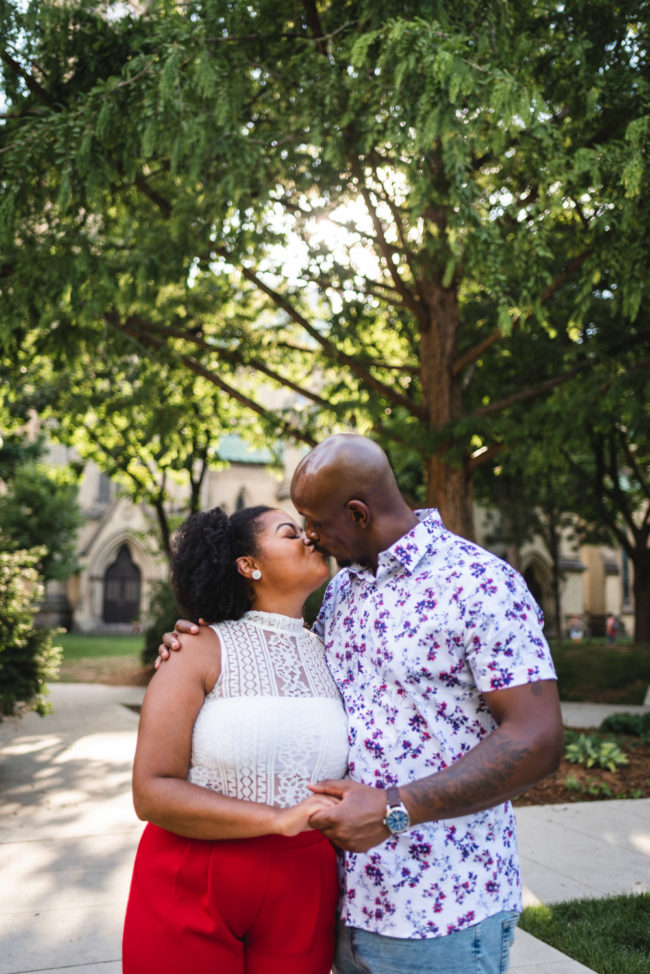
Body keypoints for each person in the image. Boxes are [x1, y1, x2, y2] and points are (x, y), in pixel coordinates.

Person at [160, 434, 564, 974]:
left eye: (315, 521)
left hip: (439, 912)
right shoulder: (344, 590)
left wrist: (398, 808)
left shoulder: (479, 584)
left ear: (357, 513)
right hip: (339, 903)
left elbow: (537, 739)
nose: (310, 535)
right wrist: (197, 641)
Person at [123, 505, 348, 974]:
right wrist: (278, 818)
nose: (311, 538)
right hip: (194, 875)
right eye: (290, 533)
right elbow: (152, 791)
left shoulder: (335, 651)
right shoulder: (195, 649)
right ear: (249, 565)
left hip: (305, 880)